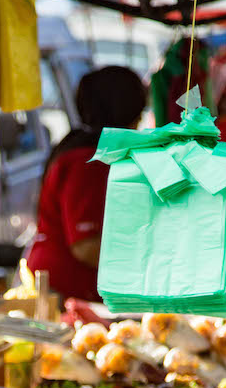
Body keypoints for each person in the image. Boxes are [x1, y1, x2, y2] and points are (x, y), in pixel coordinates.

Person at [28, 66, 148, 303]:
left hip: (68, 289)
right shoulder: (89, 161)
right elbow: (86, 246)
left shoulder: (86, 148)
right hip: (65, 294)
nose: (141, 122)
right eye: (138, 113)